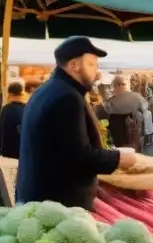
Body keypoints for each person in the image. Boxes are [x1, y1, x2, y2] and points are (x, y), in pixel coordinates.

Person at [17, 37, 136, 208]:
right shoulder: (67, 98)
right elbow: (77, 157)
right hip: (57, 205)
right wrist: (117, 158)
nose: (97, 70)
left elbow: (63, 149)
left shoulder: (46, 90)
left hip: (41, 199)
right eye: (91, 64)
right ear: (74, 66)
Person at [103, 75, 146, 150]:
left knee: (122, 150)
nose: (121, 86)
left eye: (122, 84)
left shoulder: (109, 101)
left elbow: (106, 113)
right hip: (132, 127)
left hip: (118, 129)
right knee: (134, 149)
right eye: (120, 84)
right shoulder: (136, 96)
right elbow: (144, 107)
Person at [0, 81, 29, 159]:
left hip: (6, 152)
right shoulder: (27, 108)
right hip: (22, 151)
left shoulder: (5, 109)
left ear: (10, 94)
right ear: (21, 93)